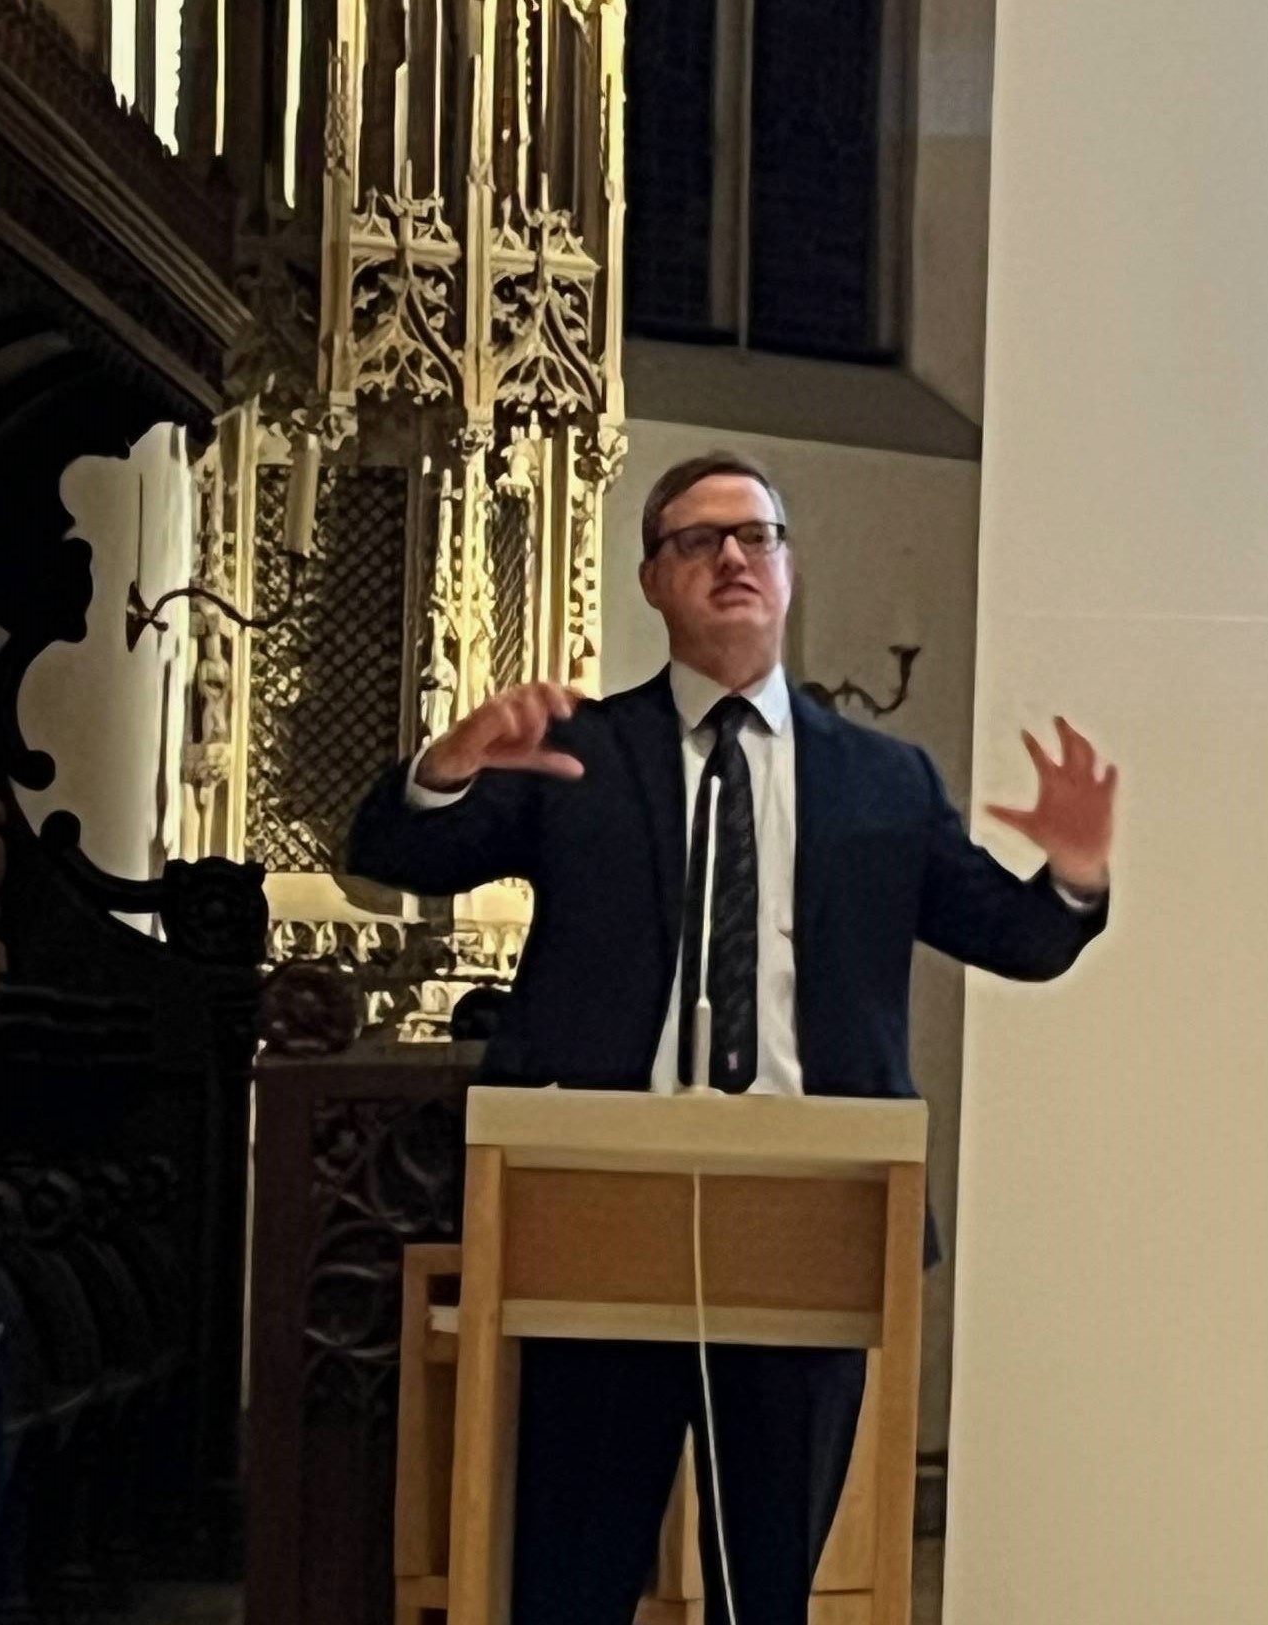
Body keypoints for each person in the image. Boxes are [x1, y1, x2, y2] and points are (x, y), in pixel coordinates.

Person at [348, 451, 1116, 1625]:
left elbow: (1016, 937)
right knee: (572, 1575)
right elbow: (400, 853)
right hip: (600, 1208)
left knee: (768, 1584)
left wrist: (1072, 874)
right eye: (697, 539)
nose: (731, 557)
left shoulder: (882, 778)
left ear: (788, 569)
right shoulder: (580, 752)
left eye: (755, 536)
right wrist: (444, 770)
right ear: (652, 579)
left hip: (811, 1215)